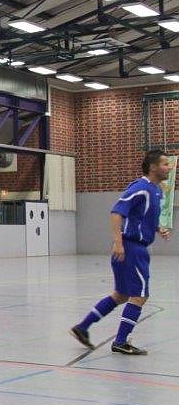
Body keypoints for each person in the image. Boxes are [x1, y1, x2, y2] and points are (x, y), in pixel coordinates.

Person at [70, 151, 172, 355]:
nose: (169, 167)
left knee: (121, 295)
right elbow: (117, 212)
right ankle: (121, 341)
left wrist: (157, 228)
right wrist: (118, 243)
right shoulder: (141, 188)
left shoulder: (157, 190)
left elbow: (141, 217)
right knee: (140, 295)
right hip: (132, 249)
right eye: (165, 164)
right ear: (153, 167)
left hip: (136, 248)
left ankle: (82, 327)